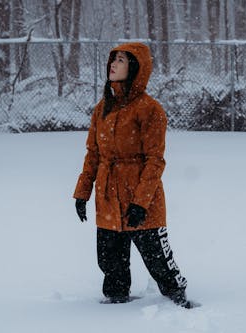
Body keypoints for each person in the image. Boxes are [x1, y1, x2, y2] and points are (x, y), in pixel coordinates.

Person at [73, 42, 191, 308]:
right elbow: (93, 155)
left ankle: (177, 298)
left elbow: (154, 161)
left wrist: (140, 203)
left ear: (135, 68)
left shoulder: (150, 110)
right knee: (110, 262)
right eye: (113, 59)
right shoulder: (102, 108)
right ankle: (116, 309)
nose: (113, 64)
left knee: (158, 260)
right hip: (107, 198)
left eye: (121, 60)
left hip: (141, 200)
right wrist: (82, 193)